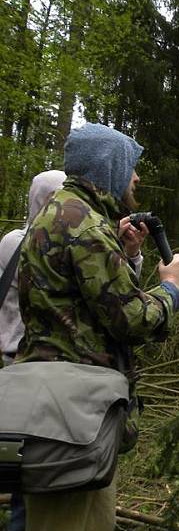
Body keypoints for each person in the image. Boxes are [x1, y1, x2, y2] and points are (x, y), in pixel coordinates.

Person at [16, 122, 179, 531]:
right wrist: (170, 288)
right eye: (130, 166)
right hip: (74, 414)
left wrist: (122, 251)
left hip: (62, 407)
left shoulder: (64, 215)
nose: (137, 177)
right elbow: (131, 319)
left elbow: (84, 306)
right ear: (108, 166)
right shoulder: (86, 227)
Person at [0, 170, 66, 531]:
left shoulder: (13, 240)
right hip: (27, 371)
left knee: (21, 470)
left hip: (21, 371)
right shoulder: (23, 244)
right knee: (29, 476)